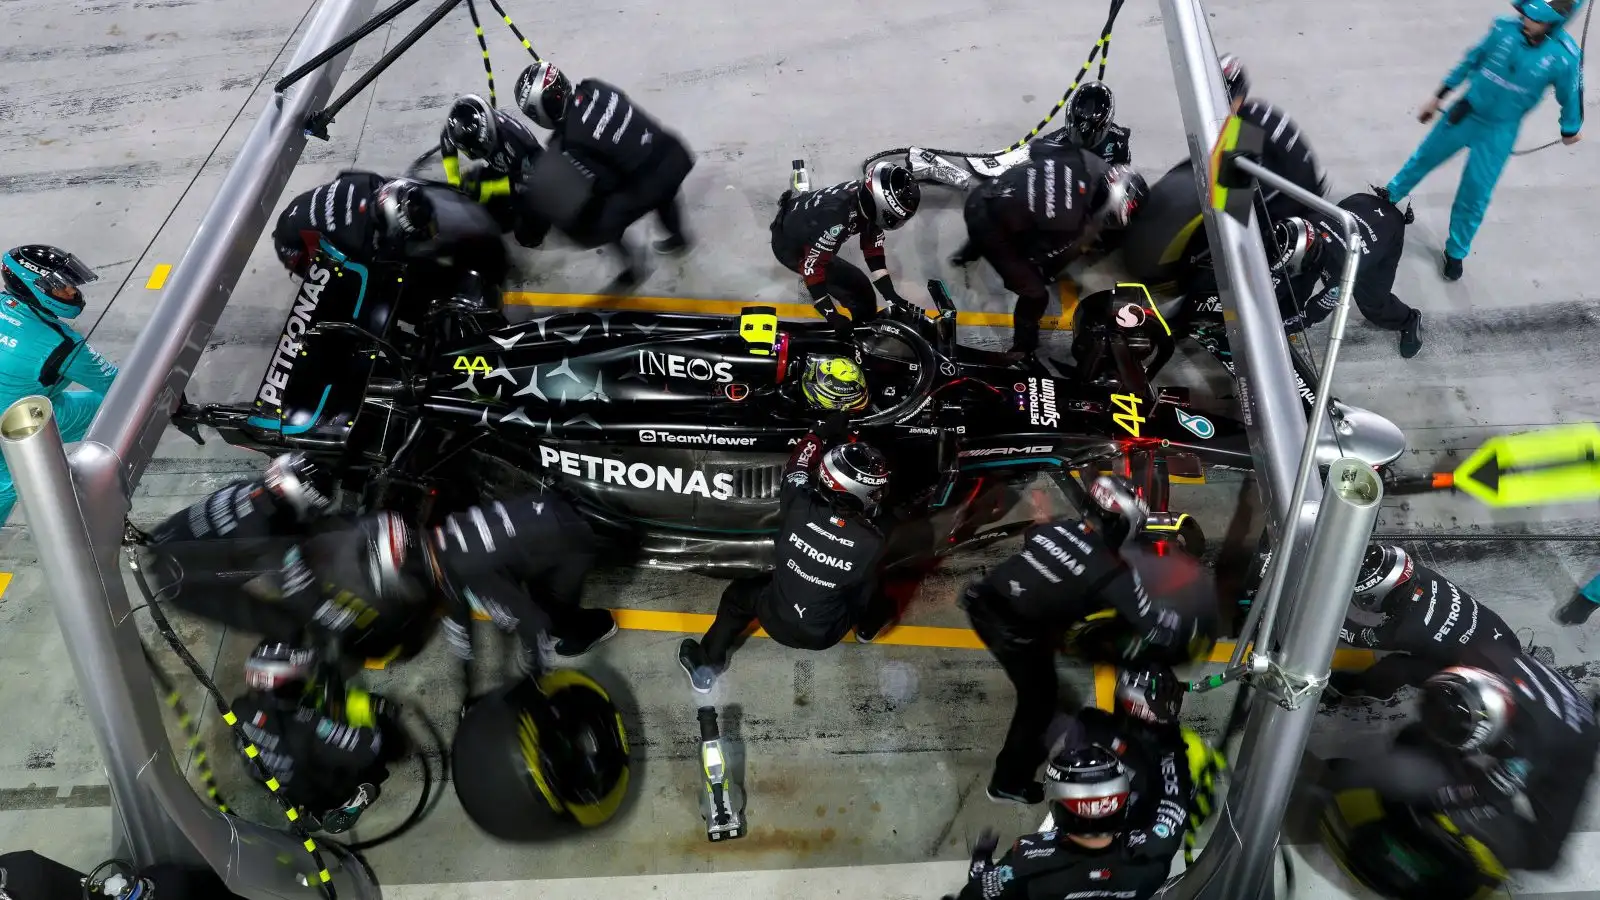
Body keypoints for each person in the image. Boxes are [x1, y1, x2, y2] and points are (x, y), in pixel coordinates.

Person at [962, 475, 1219, 804]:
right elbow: (1155, 628)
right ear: (1122, 524)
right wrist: (1185, 628)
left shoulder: (1056, 529)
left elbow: (1035, 539)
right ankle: (1007, 783)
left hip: (982, 600)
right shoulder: (1111, 571)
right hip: (1014, 632)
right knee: (1040, 702)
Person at [1323, 654, 1600, 887]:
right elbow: (1409, 666)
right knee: (1419, 739)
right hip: (1520, 697)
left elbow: (1490, 792)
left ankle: (1423, 798)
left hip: (1569, 743)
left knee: (1543, 855)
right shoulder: (1473, 657)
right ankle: (1409, 769)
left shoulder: (1534, 746)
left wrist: (1439, 796)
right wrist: (1359, 681)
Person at [677, 407, 897, 692]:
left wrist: (819, 432)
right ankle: (867, 629)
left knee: (735, 599)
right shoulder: (873, 540)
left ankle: (706, 667)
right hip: (827, 633)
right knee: (869, 584)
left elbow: (796, 466)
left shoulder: (797, 504)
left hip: (776, 618)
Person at [1383, 0, 1584, 282]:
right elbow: (1471, 60)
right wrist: (1439, 96)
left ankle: (1456, 251)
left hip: (1499, 133)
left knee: (1475, 193)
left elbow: (1571, 94)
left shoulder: (1564, 57)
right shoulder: (1503, 29)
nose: (1527, 20)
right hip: (1466, 111)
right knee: (1424, 157)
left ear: (1555, 22)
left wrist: (1570, 128)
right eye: (1526, 14)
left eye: (1536, 19)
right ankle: (1390, 195)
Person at [951, 145, 1148, 359]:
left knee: (1007, 216)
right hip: (987, 228)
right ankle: (1023, 348)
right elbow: (1041, 260)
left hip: (985, 192)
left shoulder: (1082, 157)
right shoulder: (1070, 223)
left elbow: (1038, 149)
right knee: (1036, 294)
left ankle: (968, 252)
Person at [516, 62, 696, 283]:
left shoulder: (571, 141)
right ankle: (679, 237)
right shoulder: (593, 87)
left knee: (596, 218)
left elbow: (606, 181)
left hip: (650, 181)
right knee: (661, 185)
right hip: (672, 153)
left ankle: (634, 268)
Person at [1053, 663, 1228, 866]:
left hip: (1129, 851)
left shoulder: (1170, 755)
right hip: (1096, 845)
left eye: (1164, 715)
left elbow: (1177, 810)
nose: (1159, 722)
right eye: (1156, 714)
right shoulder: (1092, 726)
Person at [948, 745, 1174, 900]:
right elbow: (1176, 797)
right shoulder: (1157, 849)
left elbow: (976, 894)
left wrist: (980, 863)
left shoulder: (1026, 859)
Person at [430, 490, 618, 673]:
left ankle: (601, 625)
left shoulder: (472, 573)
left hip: (572, 543)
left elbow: (535, 624)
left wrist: (533, 673)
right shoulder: (445, 533)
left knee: (553, 617)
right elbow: (458, 616)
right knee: (527, 590)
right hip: (548, 512)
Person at [231, 641, 407, 833]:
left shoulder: (240, 708)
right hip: (323, 787)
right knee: (380, 732)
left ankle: (308, 811)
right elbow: (367, 748)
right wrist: (378, 717)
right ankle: (353, 798)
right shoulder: (310, 726)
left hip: (286, 790)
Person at [0, 245, 118, 524]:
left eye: (70, 285)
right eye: (60, 288)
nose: (72, 293)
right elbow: (119, 387)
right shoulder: (62, 344)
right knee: (112, 406)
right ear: (34, 288)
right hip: (10, 424)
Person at [1327, 544, 1521, 702]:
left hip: (1484, 678)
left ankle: (1369, 690)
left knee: (1396, 668)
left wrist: (1324, 614)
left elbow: (1356, 636)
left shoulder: (1407, 629)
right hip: (1505, 641)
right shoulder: (1420, 574)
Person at [770, 162, 921, 337]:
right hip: (789, 245)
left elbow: (872, 251)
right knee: (859, 292)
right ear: (879, 205)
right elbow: (812, 270)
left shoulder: (865, 197)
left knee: (860, 288)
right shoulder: (836, 220)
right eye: (893, 217)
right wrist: (833, 316)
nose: (894, 222)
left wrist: (892, 296)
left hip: (807, 219)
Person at [1272, 188, 1424, 358]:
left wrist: (1279, 329)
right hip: (1359, 203)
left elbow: (1313, 313)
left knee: (1373, 303)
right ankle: (1286, 312)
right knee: (1297, 279)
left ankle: (1409, 320)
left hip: (1387, 231)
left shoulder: (1343, 270)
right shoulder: (1305, 221)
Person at [1218, 53, 1331, 221]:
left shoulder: (1243, 128)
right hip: (1310, 189)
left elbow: (1232, 201)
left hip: (1294, 206)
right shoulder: (1258, 109)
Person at [440, 93, 552, 249]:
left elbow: (526, 183)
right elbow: (447, 138)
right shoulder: (462, 128)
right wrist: (454, 181)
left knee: (527, 236)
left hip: (534, 179)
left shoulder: (516, 142)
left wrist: (490, 188)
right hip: (506, 170)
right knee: (472, 190)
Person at [272, 172, 441, 276]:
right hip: (291, 246)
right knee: (341, 284)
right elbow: (375, 268)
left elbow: (342, 176)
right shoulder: (359, 239)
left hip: (299, 205)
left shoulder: (370, 181)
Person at [1047, 81, 1132, 166]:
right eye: (1077, 132)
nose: (1081, 140)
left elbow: (1125, 171)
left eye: (1090, 136)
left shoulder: (1117, 139)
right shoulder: (1054, 142)